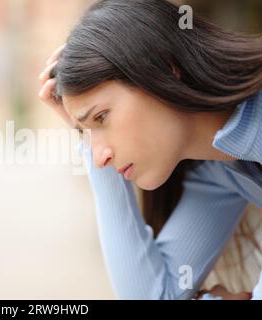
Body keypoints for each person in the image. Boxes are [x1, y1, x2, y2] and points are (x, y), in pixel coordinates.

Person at [38, 0, 262, 299]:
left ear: (164, 70)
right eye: (86, 132)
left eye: (101, 117)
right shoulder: (217, 168)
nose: (100, 155)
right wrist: (89, 141)